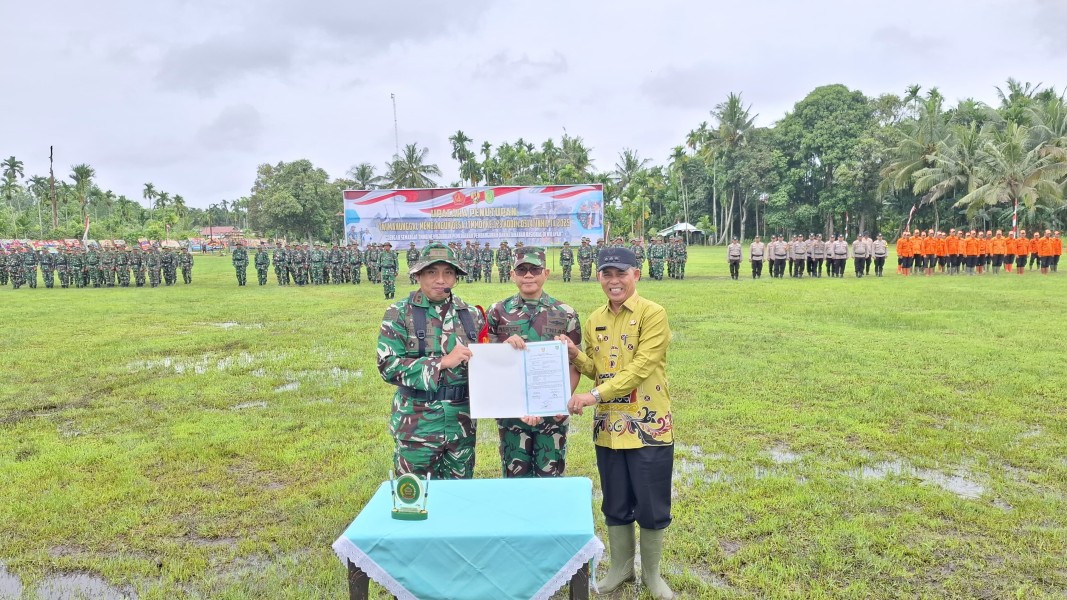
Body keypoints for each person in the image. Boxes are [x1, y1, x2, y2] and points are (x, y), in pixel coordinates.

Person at [564, 246, 674, 600]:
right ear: (598, 277)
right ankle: (621, 568)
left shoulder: (652, 314)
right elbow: (597, 369)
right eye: (607, 274)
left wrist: (593, 396)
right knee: (615, 501)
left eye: (621, 273)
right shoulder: (594, 318)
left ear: (635, 275)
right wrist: (575, 355)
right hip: (609, 429)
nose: (614, 281)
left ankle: (652, 575)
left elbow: (641, 367)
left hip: (648, 425)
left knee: (652, 504)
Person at [376, 242, 485, 479]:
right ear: (418, 276)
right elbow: (387, 366)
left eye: (448, 272)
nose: (440, 280)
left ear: (456, 277)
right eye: (432, 272)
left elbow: (489, 364)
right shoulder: (399, 313)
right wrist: (441, 363)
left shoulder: (471, 315)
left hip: (461, 427)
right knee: (416, 495)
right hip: (416, 426)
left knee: (459, 494)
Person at [487, 246, 581, 478]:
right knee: (515, 478)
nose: (528, 275)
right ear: (512, 275)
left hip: (552, 416)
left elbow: (575, 363)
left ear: (546, 273)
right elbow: (488, 363)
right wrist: (504, 347)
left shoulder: (565, 313)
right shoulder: (497, 312)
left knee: (550, 478)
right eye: (522, 270)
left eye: (535, 269)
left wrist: (561, 403)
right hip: (512, 414)